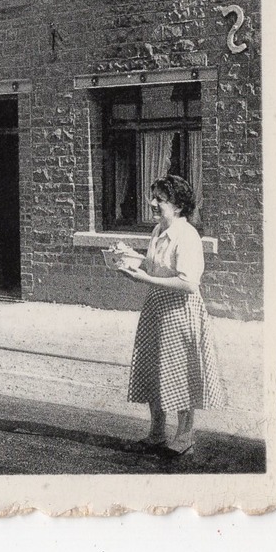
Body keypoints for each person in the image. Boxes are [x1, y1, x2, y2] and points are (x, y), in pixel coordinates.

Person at [109, 175, 225, 456]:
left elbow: (188, 283)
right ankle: (157, 432)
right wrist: (129, 257)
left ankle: (185, 436)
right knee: (152, 366)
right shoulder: (158, 230)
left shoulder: (187, 236)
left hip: (180, 309)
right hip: (156, 307)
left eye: (160, 199)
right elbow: (154, 265)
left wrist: (144, 280)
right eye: (154, 197)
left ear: (179, 205)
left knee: (180, 370)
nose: (152, 203)